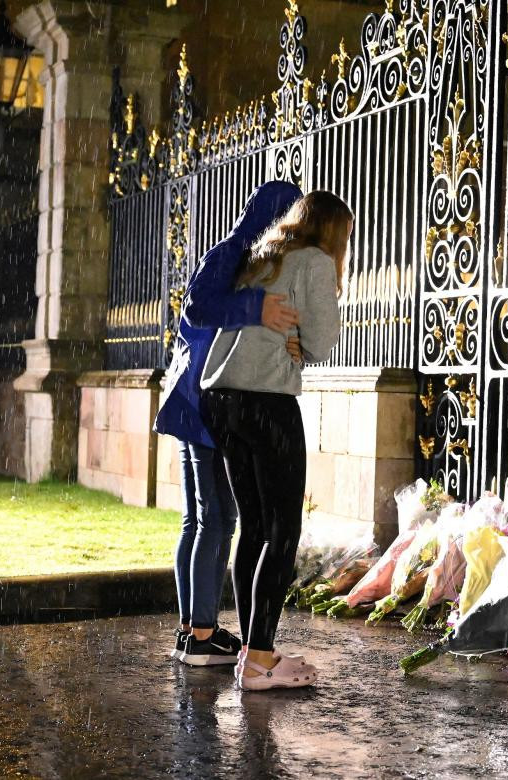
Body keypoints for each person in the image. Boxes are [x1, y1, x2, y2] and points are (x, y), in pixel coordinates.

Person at [199, 190, 351, 690]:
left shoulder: (264, 253)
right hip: (267, 401)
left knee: (255, 527)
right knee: (284, 530)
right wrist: (303, 344)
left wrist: (297, 341)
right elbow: (325, 339)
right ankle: (260, 659)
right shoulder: (315, 261)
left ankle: (251, 649)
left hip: (222, 399)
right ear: (333, 231)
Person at [154, 181, 302, 666]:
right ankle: (200, 635)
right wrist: (255, 308)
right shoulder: (237, 253)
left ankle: (190, 630)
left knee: (199, 519)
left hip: (191, 398)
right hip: (205, 399)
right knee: (217, 519)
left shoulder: (242, 253)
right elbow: (197, 306)